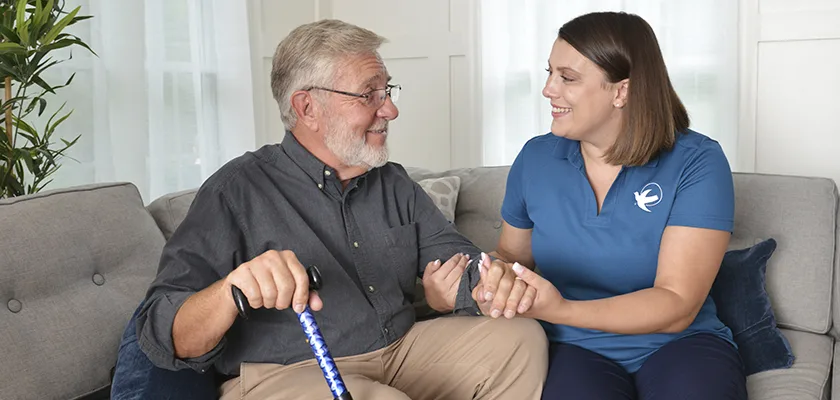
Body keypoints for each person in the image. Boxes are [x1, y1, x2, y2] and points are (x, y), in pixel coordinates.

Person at [112, 19, 546, 400]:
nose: (390, 109)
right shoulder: (235, 191)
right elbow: (160, 331)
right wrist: (232, 290)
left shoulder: (392, 182)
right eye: (368, 95)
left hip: (400, 349)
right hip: (286, 374)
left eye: (387, 90)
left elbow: (457, 258)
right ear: (307, 108)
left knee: (520, 341)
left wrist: (479, 284)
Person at [491, 11, 748, 400]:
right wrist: (491, 282)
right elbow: (512, 259)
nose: (548, 89)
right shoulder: (536, 158)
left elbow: (677, 303)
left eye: (568, 78)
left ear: (621, 91)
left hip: (679, 345)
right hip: (571, 349)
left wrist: (560, 310)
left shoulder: (698, 161)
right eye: (549, 73)